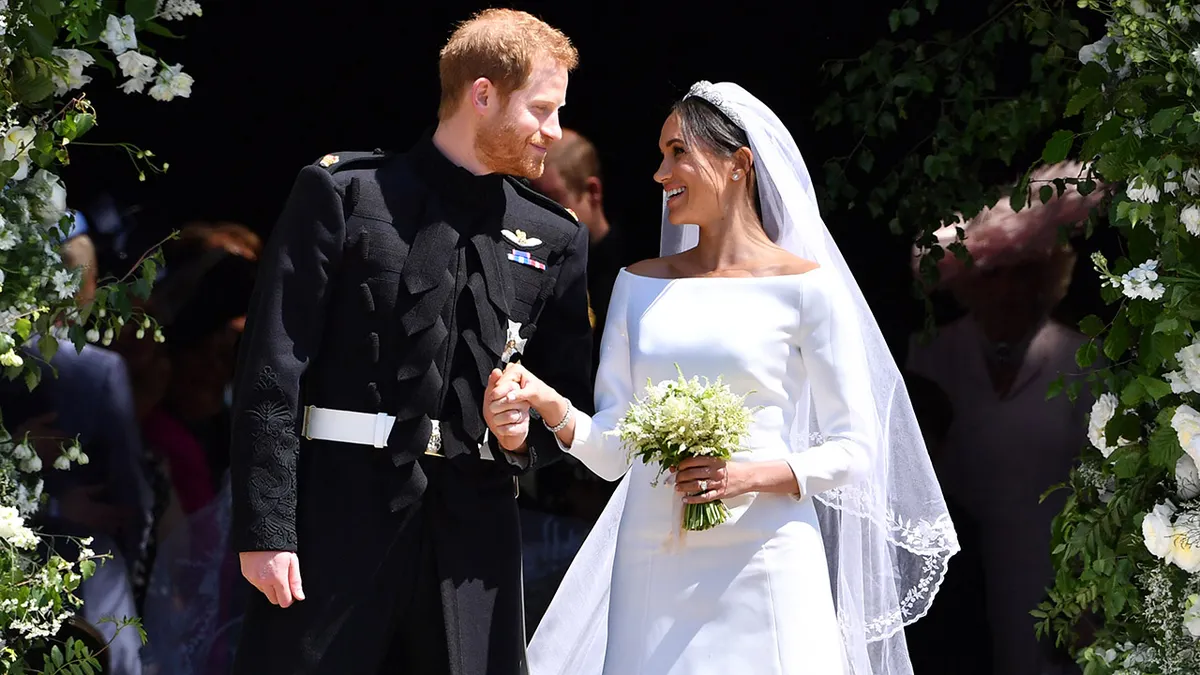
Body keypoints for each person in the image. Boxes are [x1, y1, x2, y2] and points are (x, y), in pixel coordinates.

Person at [494, 81, 958, 675]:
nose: (660, 174)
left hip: (767, 554)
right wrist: (552, 406)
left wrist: (745, 475)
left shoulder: (807, 289)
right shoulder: (636, 286)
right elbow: (613, 452)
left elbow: (856, 449)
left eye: (677, 153)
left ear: (738, 164)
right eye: (660, 156)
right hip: (652, 559)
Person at [228, 8, 592, 675]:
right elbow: (273, 370)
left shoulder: (557, 236)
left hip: (474, 545)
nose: (554, 131)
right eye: (541, 109)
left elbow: (570, 392)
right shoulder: (345, 192)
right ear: (482, 94)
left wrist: (521, 435)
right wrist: (266, 528)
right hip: (336, 523)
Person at [905, 162, 1102, 675]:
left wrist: (1093, 594)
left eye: (1025, 272)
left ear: (1048, 275)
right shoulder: (931, 356)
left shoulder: (1085, 359)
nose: (1009, 289)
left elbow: (1106, 485)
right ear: (967, 280)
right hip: (958, 581)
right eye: (993, 274)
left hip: (1058, 574)